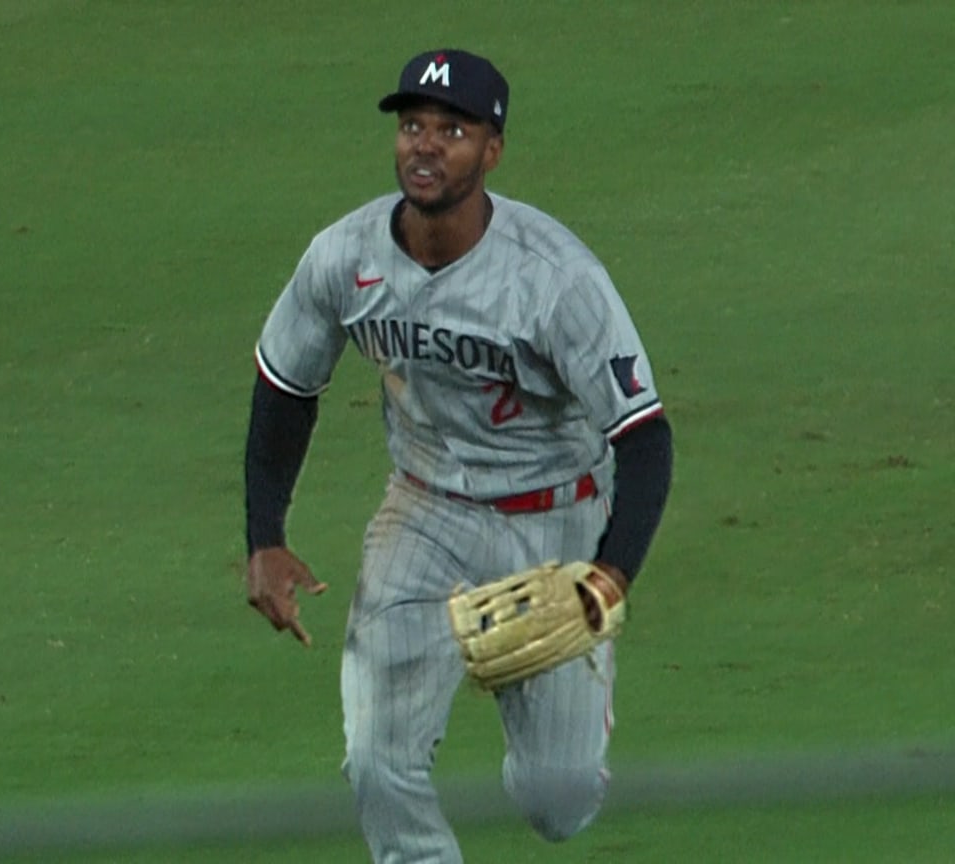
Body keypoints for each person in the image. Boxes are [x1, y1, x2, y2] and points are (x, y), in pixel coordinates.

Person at [242, 48, 673, 863]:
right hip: (425, 510)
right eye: (412, 126)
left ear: (493, 151)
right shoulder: (346, 256)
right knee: (377, 758)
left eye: (453, 129)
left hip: (555, 520)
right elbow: (284, 384)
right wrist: (265, 534)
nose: (426, 145)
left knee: (559, 803)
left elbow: (644, 436)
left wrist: (607, 576)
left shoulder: (555, 279)